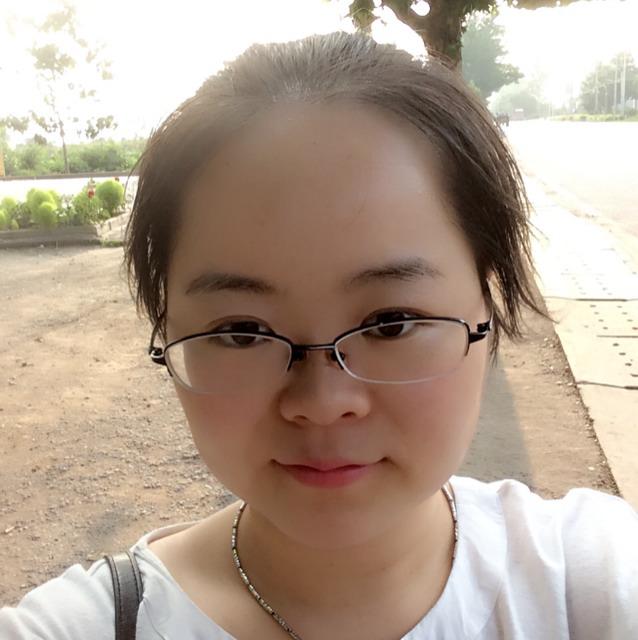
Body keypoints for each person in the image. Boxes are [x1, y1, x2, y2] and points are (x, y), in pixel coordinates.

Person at [1, 31, 636, 640]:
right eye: (242, 331)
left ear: (487, 305)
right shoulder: (88, 626)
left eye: (390, 323)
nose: (322, 403)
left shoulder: (589, 582)